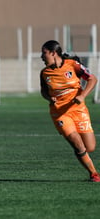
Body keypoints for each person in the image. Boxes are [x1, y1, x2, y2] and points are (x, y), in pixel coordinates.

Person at [40, 40, 100, 182]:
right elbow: (43, 92)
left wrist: (82, 95)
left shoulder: (73, 65)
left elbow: (92, 79)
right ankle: (94, 174)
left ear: (53, 53)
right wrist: (50, 98)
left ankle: (82, 153)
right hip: (59, 112)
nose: (42, 57)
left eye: (44, 53)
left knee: (90, 147)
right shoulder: (44, 73)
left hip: (79, 110)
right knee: (76, 141)